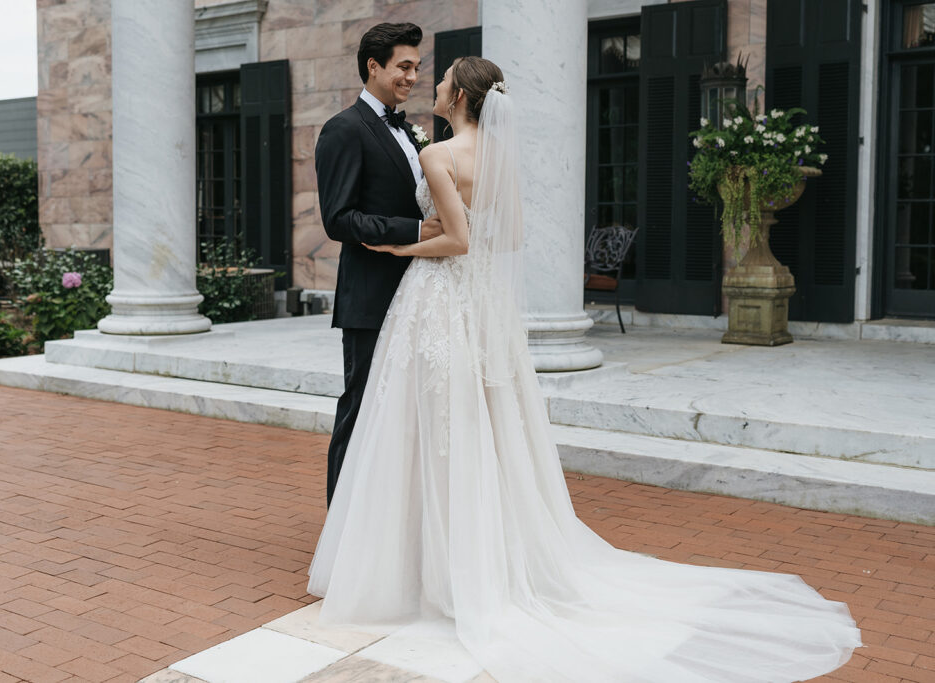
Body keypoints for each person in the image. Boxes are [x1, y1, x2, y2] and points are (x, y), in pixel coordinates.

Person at [309, 56, 862, 682]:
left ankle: (426, 565)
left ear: (459, 95)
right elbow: (505, 238)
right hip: (477, 302)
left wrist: (397, 243)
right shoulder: (498, 155)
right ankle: (468, 554)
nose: (430, 85)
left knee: (432, 425)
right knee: (477, 425)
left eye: (439, 81)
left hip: (438, 295)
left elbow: (456, 241)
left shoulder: (441, 155)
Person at [315, 22, 442, 506]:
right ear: (374, 66)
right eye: (403, 66)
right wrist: (412, 232)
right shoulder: (343, 129)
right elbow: (339, 219)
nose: (413, 76)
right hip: (371, 296)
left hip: (419, 290)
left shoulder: (409, 130)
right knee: (362, 406)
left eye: (416, 66)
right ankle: (342, 525)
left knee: (404, 413)